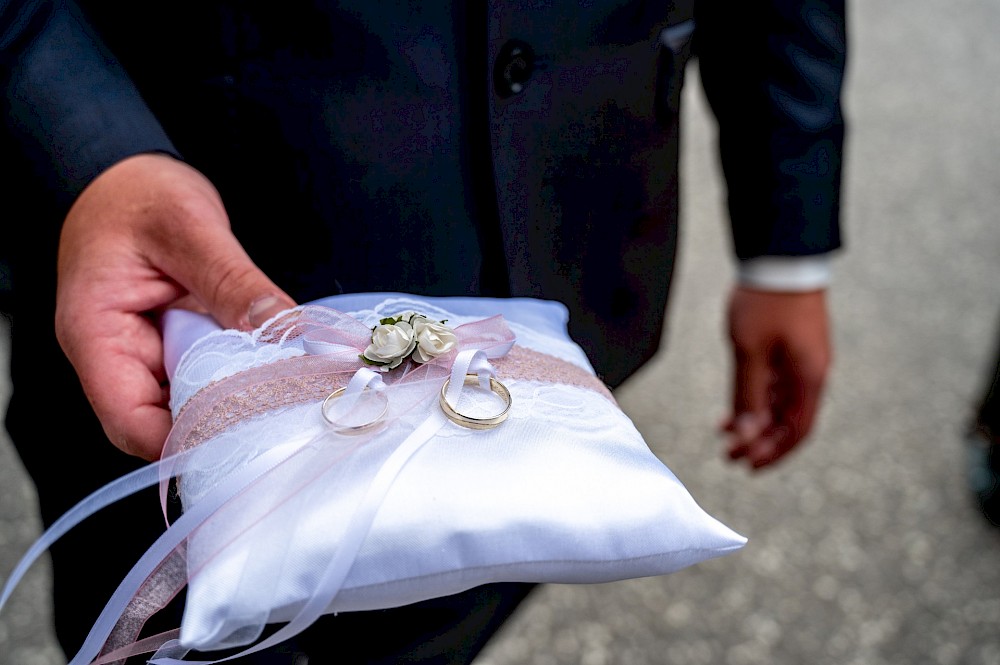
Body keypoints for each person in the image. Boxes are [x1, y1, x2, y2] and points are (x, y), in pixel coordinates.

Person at [1, 0, 847, 662]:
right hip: (179, 284)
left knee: (444, 617)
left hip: (560, 245)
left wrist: (787, 248)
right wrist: (91, 151)